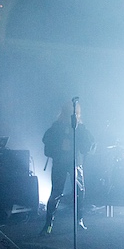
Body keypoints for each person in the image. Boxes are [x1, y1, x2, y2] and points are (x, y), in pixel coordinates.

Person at [42, 99, 95, 235]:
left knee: (79, 191)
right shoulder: (56, 127)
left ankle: (79, 220)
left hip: (75, 162)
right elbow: (47, 139)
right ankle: (49, 223)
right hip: (61, 162)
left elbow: (88, 144)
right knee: (56, 192)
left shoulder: (80, 128)